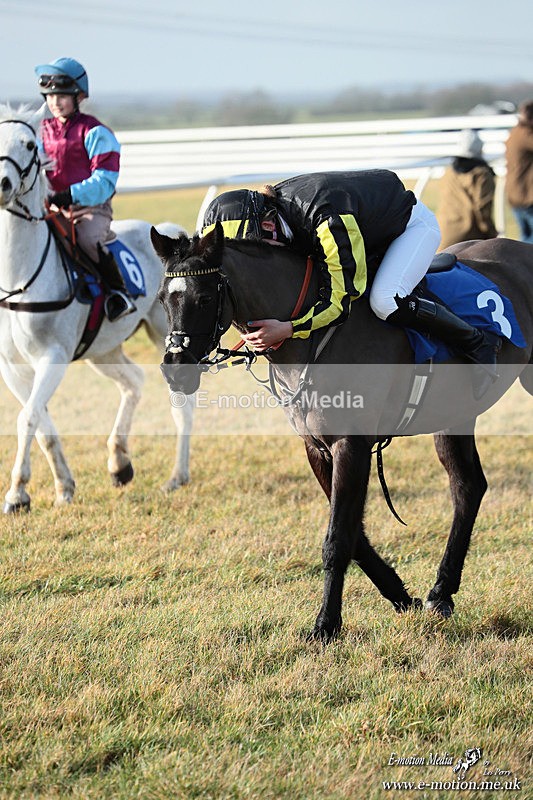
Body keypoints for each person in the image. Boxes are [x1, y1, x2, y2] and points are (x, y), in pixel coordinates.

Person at [202, 171, 501, 397]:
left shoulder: (324, 218)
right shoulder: (272, 215)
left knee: (384, 300)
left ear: (268, 225)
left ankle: (477, 341)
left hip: (410, 227)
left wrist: (289, 328)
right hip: (365, 227)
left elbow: (341, 298)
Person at [34, 56, 135, 321]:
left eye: (62, 96)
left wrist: (69, 194)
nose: (55, 102)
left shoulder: (96, 132)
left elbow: (105, 180)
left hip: (91, 208)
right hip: (50, 207)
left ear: (78, 96)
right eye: (50, 96)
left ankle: (118, 293)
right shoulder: (40, 131)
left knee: (89, 239)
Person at [437, 129, 498, 249]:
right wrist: (491, 234)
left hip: (443, 233)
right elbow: (482, 208)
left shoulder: (448, 171)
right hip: (469, 236)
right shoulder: (482, 174)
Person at [505, 100, 533, 243]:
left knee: (525, 237)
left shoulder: (515, 132)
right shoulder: (526, 135)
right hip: (527, 195)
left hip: (515, 194)